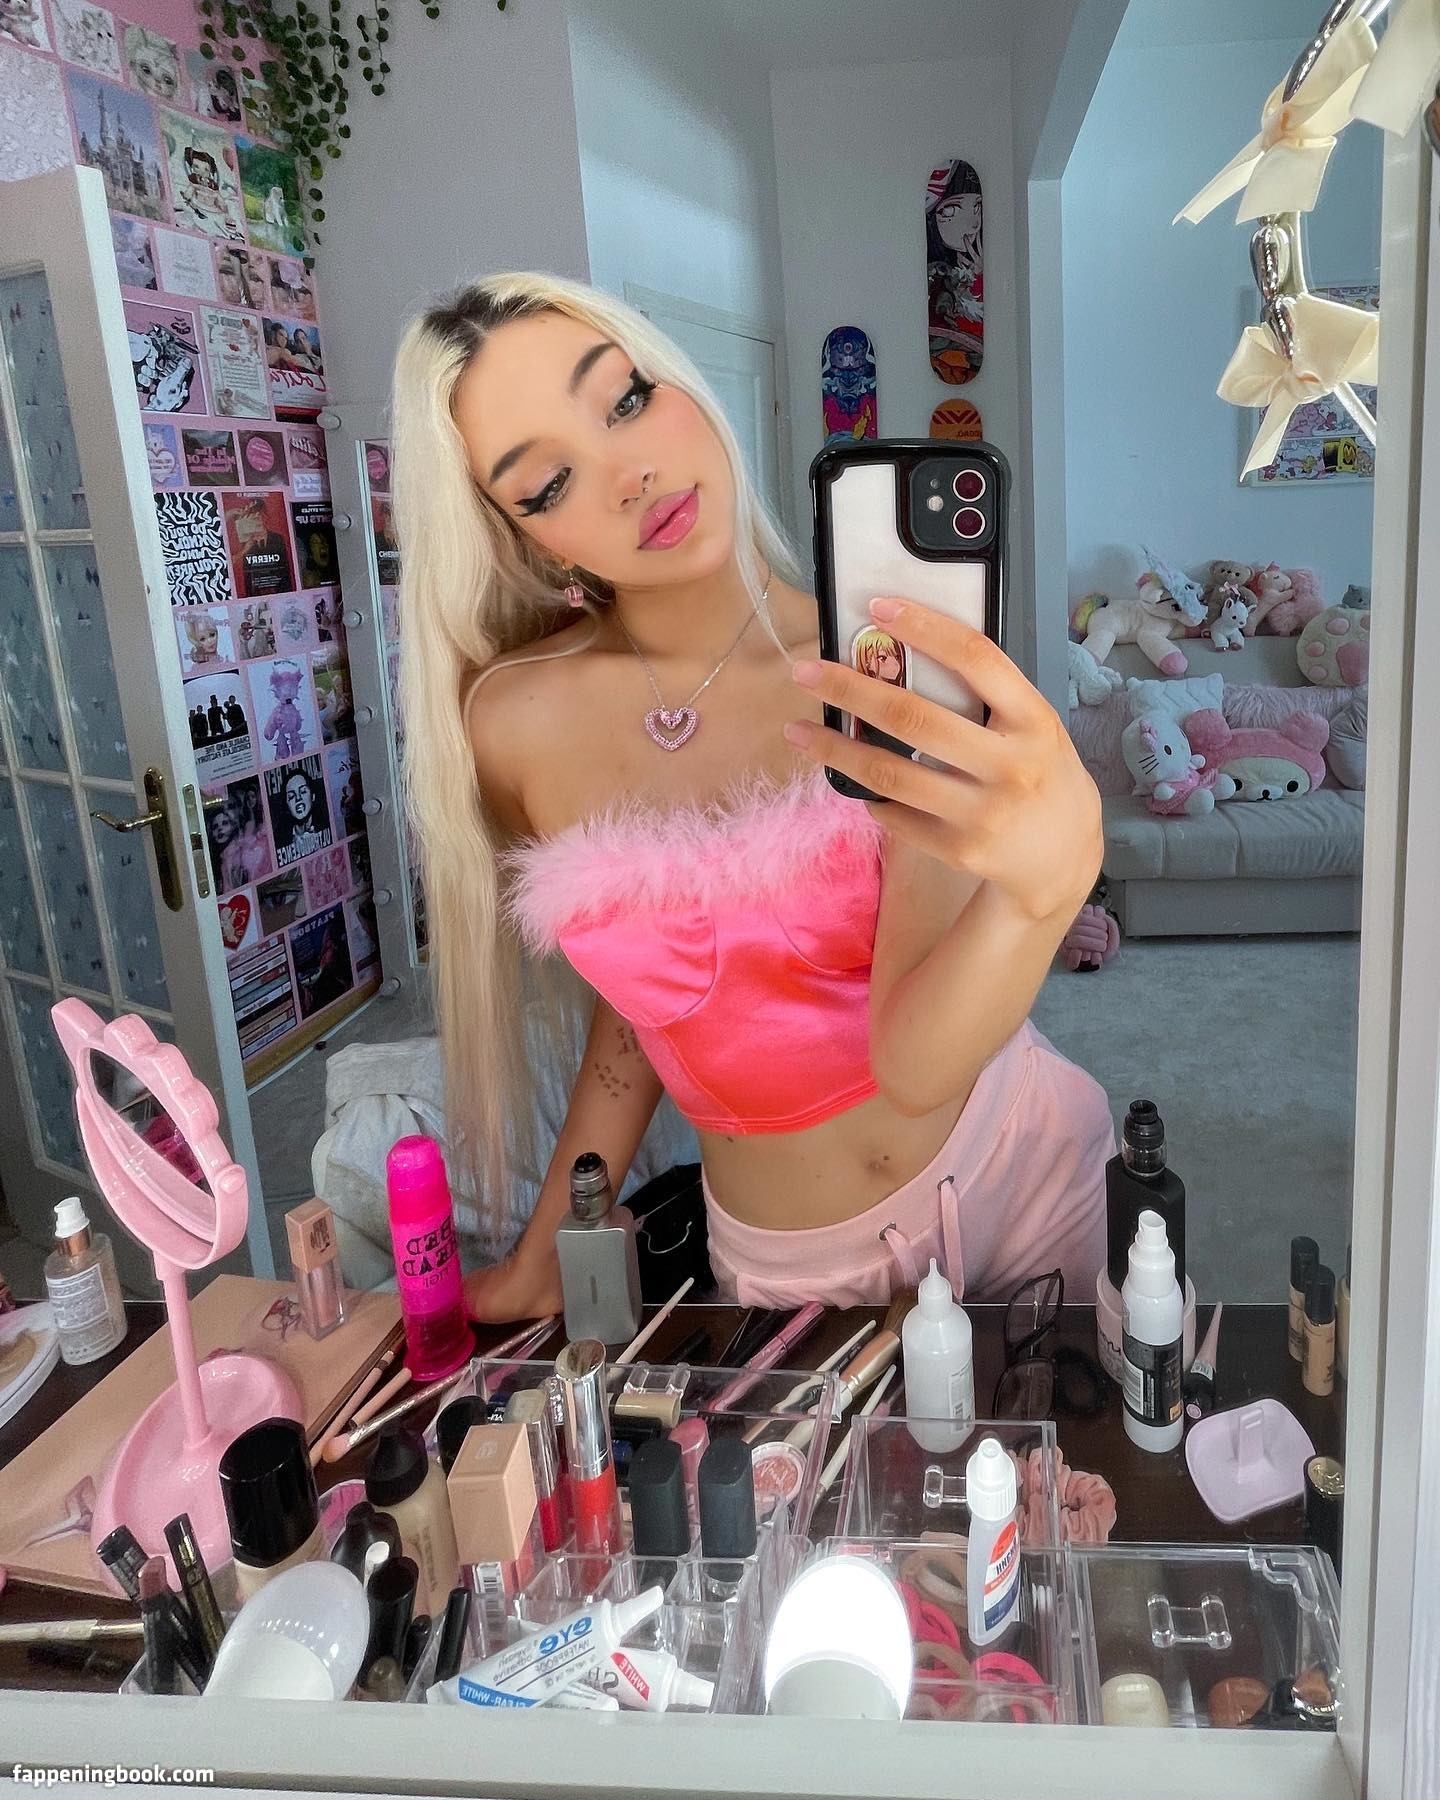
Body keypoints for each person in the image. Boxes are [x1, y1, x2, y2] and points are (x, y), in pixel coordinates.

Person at [391, 274, 1111, 1321]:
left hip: (1027, 1172)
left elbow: (917, 1063)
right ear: (523, 538)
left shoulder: (879, 666)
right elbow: (637, 1006)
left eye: (626, 399)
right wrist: (550, 1251)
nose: (631, 474)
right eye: (547, 484)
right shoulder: (513, 725)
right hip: (787, 1265)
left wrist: (1044, 895)